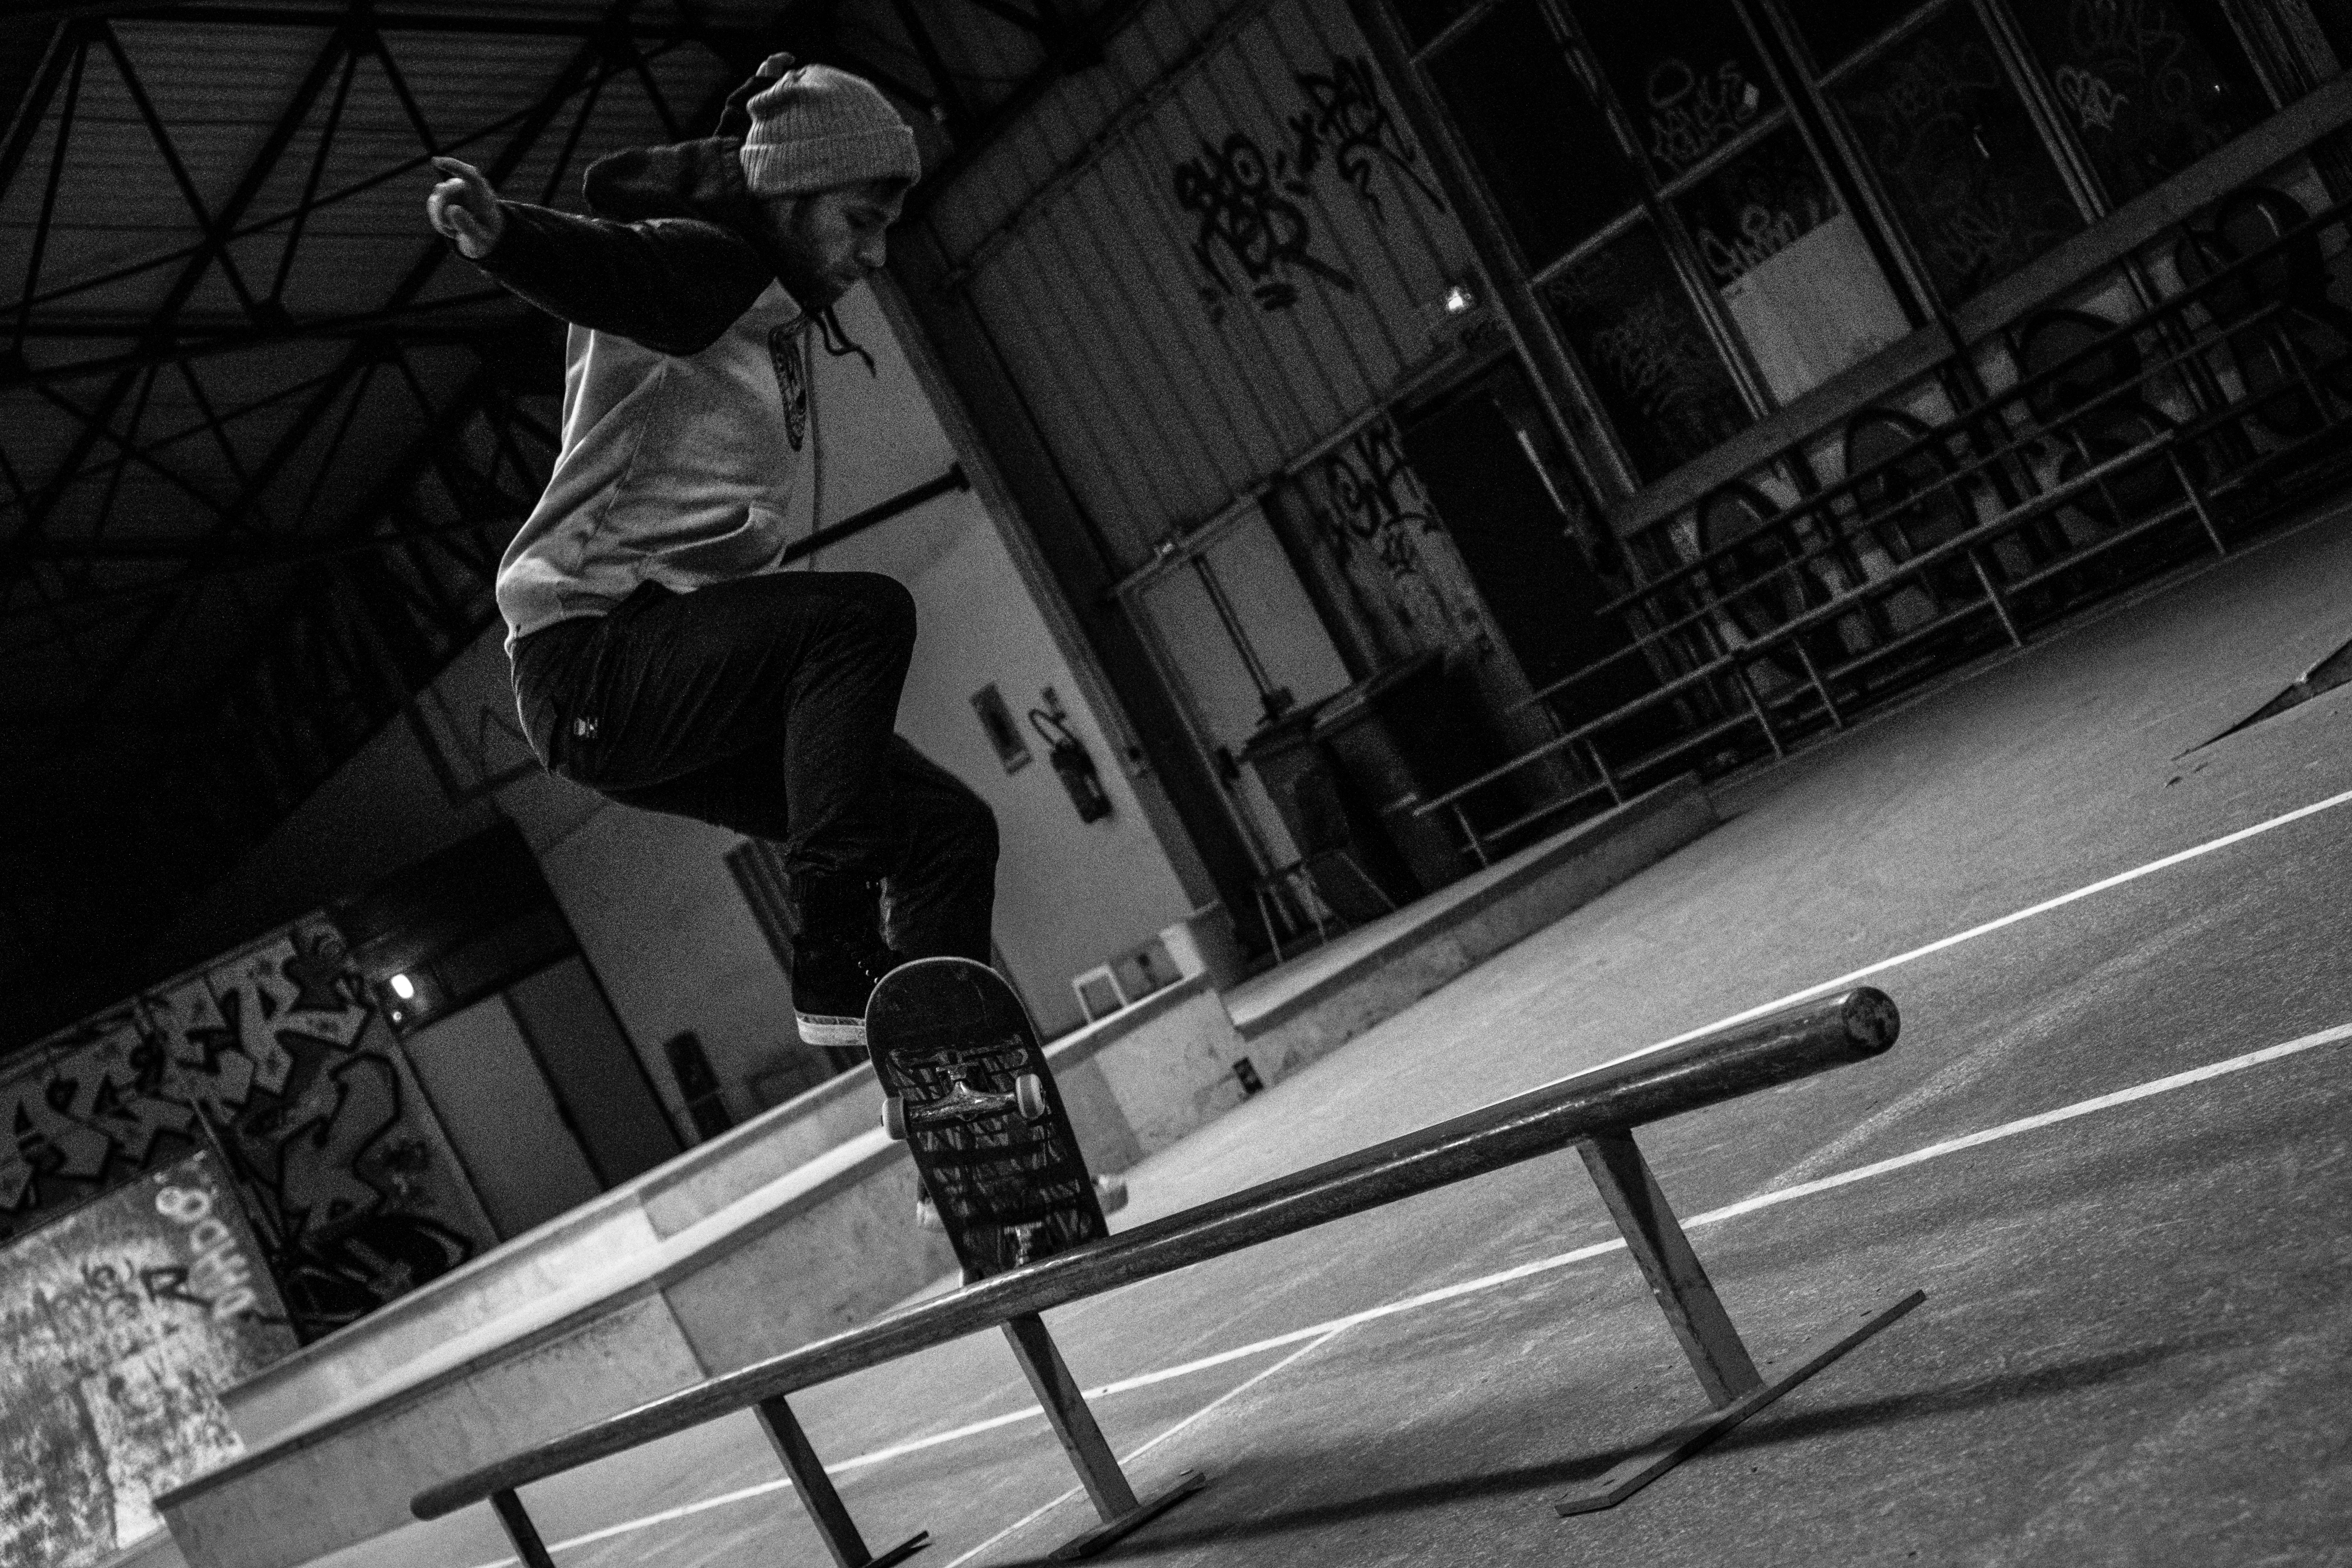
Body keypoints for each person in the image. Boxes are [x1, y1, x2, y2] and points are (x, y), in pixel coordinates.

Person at [425, 55, 998, 1053]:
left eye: (885, 230)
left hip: (678, 682)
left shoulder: (763, 307)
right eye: (857, 222)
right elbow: (618, 266)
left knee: (948, 830)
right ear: (787, 200)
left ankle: (951, 1085)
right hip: (600, 661)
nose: (875, 255)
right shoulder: (708, 267)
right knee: (861, 618)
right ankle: (834, 951)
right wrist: (508, 236)